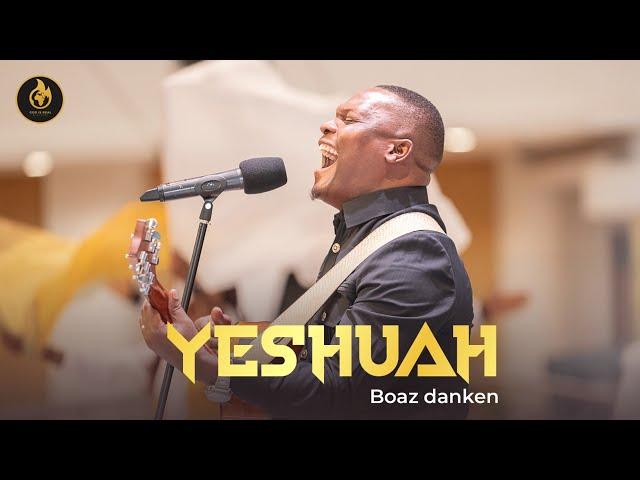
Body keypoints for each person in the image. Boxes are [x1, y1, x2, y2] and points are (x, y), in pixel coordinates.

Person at [140, 85, 474, 419]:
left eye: (348, 120)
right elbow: (325, 344)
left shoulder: (414, 254)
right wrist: (236, 338)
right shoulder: (367, 239)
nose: (326, 126)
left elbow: (335, 390)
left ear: (397, 150)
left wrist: (198, 361)